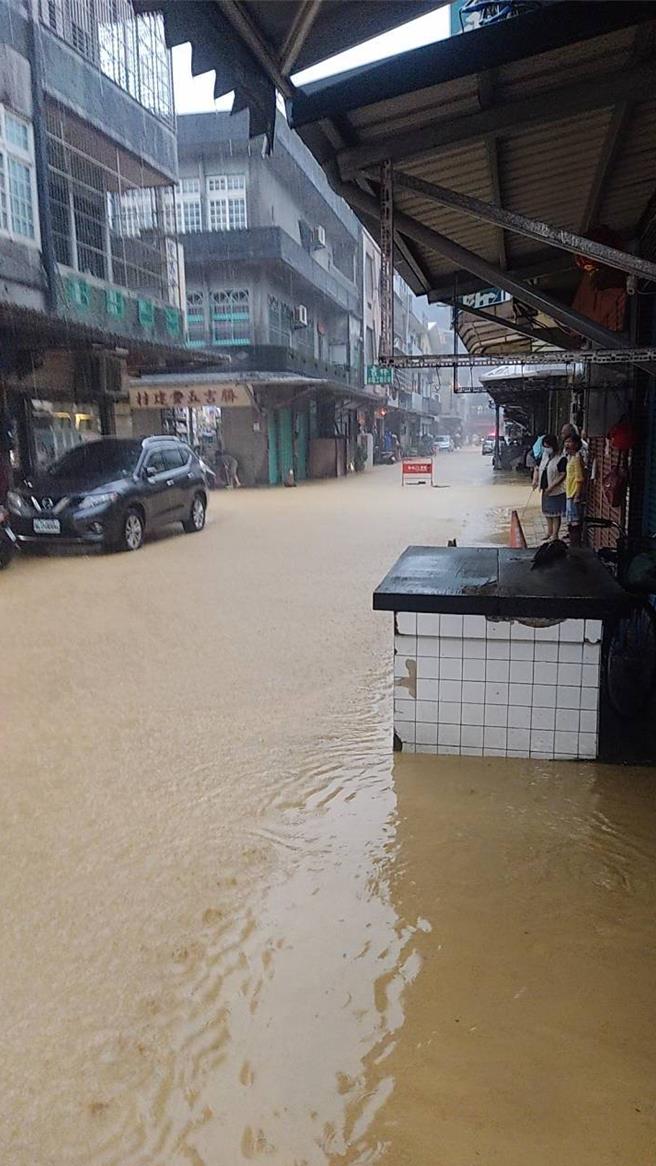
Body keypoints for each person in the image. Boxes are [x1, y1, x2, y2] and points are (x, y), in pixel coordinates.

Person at [532, 433, 567, 541]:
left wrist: (552, 486)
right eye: (544, 446)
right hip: (545, 489)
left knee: (555, 514)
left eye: (547, 446)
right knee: (547, 512)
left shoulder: (561, 458)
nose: (546, 449)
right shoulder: (544, 456)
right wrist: (535, 480)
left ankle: (555, 535)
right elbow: (537, 468)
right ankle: (549, 532)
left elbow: (562, 475)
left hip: (556, 491)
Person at [564, 432, 586, 546]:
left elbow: (579, 478)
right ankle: (573, 543)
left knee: (574, 521)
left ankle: (575, 545)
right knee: (570, 520)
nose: (567, 444)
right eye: (566, 442)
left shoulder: (577, 458)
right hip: (569, 493)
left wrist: (577, 495)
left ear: (576, 444)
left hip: (573, 494)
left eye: (569, 442)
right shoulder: (571, 457)